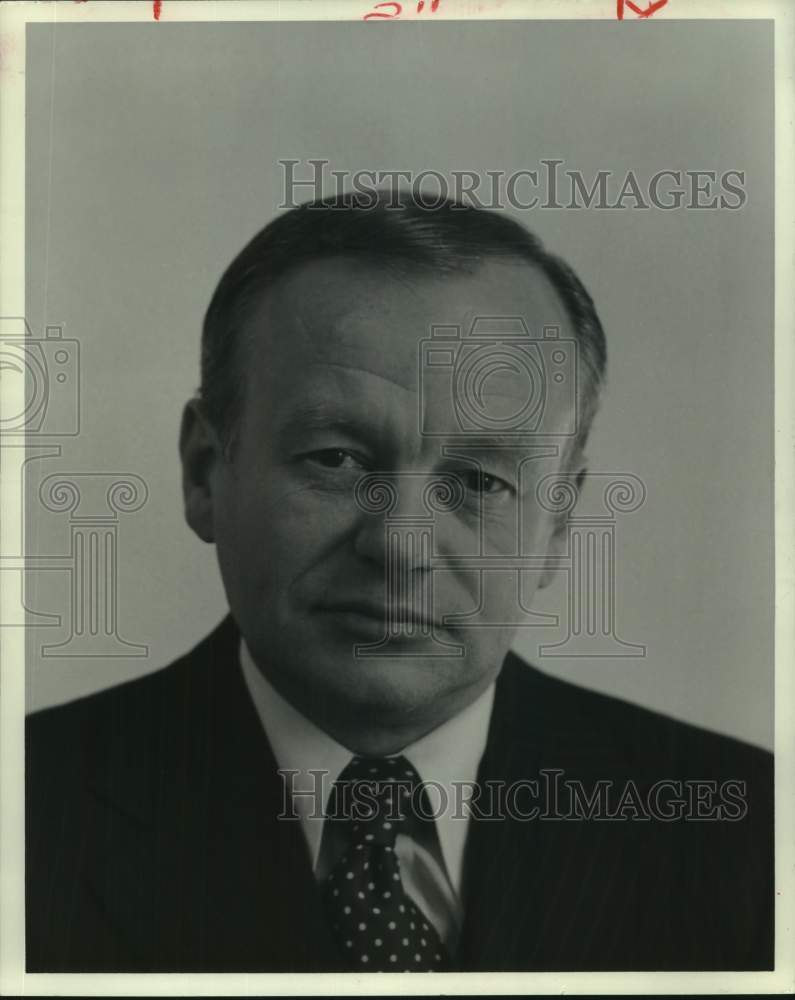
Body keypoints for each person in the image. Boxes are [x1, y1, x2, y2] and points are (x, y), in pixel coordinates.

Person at [26, 191, 773, 972]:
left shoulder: (748, 838)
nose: (399, 547)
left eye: (480, 482)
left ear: (556, 524)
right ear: (205, 471)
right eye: (335, 460)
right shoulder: (31, 811)